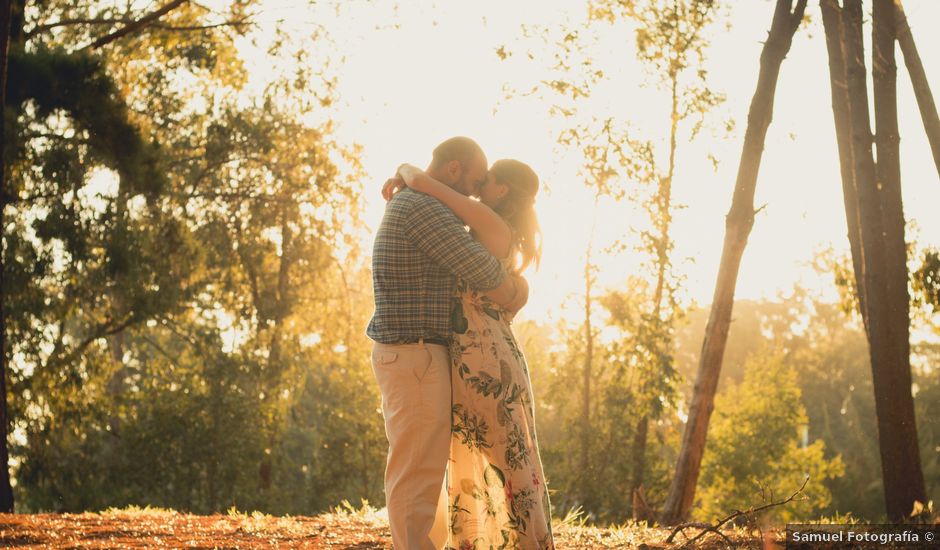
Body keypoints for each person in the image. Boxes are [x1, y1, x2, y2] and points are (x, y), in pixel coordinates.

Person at [367, 136, 529, 550]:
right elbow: (484, 273)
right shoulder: (424, 210)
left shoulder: (422, 204)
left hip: (416, 352)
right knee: (416, 469)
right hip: (414, 353)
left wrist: (407, 170)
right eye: (475, 179)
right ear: (454, 169)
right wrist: (516, 291)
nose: (476, 190)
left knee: (423, 466)